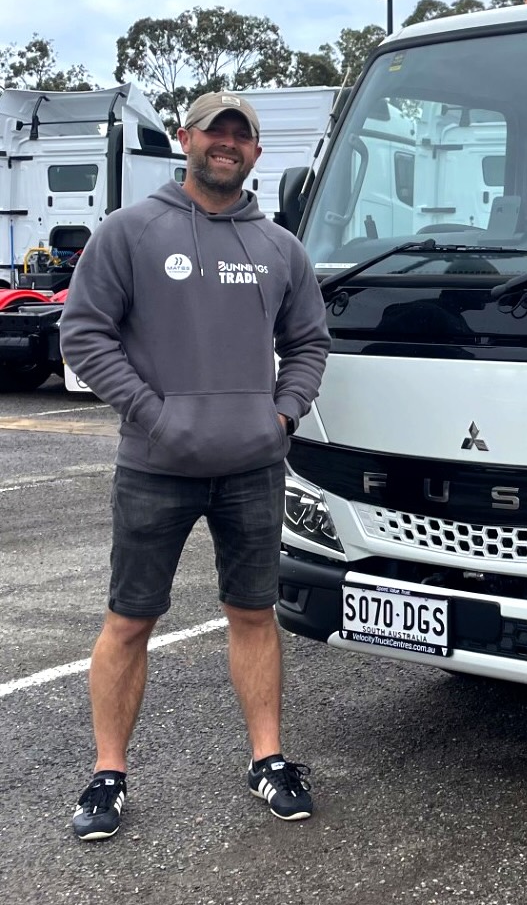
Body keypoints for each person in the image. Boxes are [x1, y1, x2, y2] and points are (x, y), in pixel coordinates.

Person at [61, 91, 330, 841]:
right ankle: (107, 775)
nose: (228, 145)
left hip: (252, 466)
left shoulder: (280, 247)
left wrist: (283, 413)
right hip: (156, 466)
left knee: (253, 614)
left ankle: (269, 760)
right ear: (187, 138)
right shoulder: (130, 231)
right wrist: (154, 414)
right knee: (129, 620)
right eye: (216, 131)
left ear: (255, 152)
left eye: (242, 136)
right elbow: (84, 335)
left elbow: (310, 342)